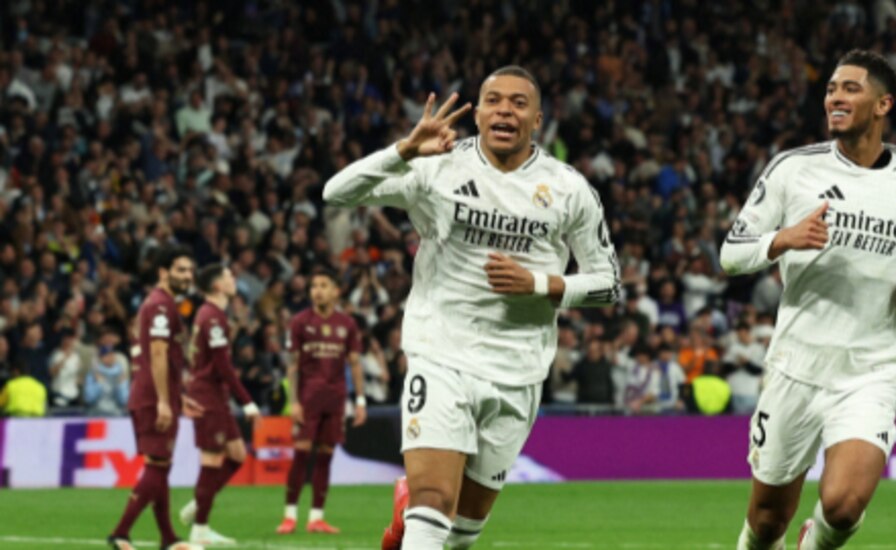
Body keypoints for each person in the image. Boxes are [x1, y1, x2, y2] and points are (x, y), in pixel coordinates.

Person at [323, 65, 620, 550]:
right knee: (433, 504)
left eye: (519, 103)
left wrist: (538, 284)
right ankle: (416, 511)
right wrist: (403, 151)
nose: (505, 110)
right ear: (478, 113)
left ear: (537, 119)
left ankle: (406, 518)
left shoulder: (569, 189)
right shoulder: (437, 165)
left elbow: (609, 284)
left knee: (463, 533)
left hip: (518, 369)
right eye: (494, 100)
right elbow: (335, 193)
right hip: (441, 353)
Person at [720, 50, 896, 550]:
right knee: (767, 522)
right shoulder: (793, 169)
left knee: (844, 505)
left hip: (870, 369)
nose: (835, 97)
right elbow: (731, 254)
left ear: (883, 104)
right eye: (832, 88)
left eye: (851, 88)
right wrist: (783, 239)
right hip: (796, 365)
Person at [107, 245, 204, 550]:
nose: (187, 276)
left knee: (160, 465)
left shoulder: (158, 304)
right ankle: (120, 533)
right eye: (180, 270)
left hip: (155, 393)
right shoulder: (161, 305)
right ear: (163, 272)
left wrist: (177, 396)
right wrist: (163, 400)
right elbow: (158, 353)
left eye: (190, 271)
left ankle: (168, 538)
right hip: (153, 397)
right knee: (158, 465)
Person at [276, 268, 366, 535]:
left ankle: (316, 517)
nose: (317, 290)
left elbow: (355, 364)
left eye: (324, 285)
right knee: (301, 454)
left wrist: (360, 400)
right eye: (314, 285)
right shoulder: (300, 322)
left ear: (336, 291)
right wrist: (293, 402)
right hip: (308, 399)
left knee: (326, 456)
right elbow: (292, 366)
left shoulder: (347, 324)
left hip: (335, 398)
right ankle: (290, 516)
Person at [178, 264, 262, 545]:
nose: (233, 279)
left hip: (216, 396)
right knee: (212, 459)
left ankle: (199, 502)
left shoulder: (210, 314)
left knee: (237, 455)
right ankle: (200, 529)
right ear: (217, 285)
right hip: (208, 397)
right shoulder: (213, 317)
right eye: (228, 276)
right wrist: (247, 402)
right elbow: (223, 365)